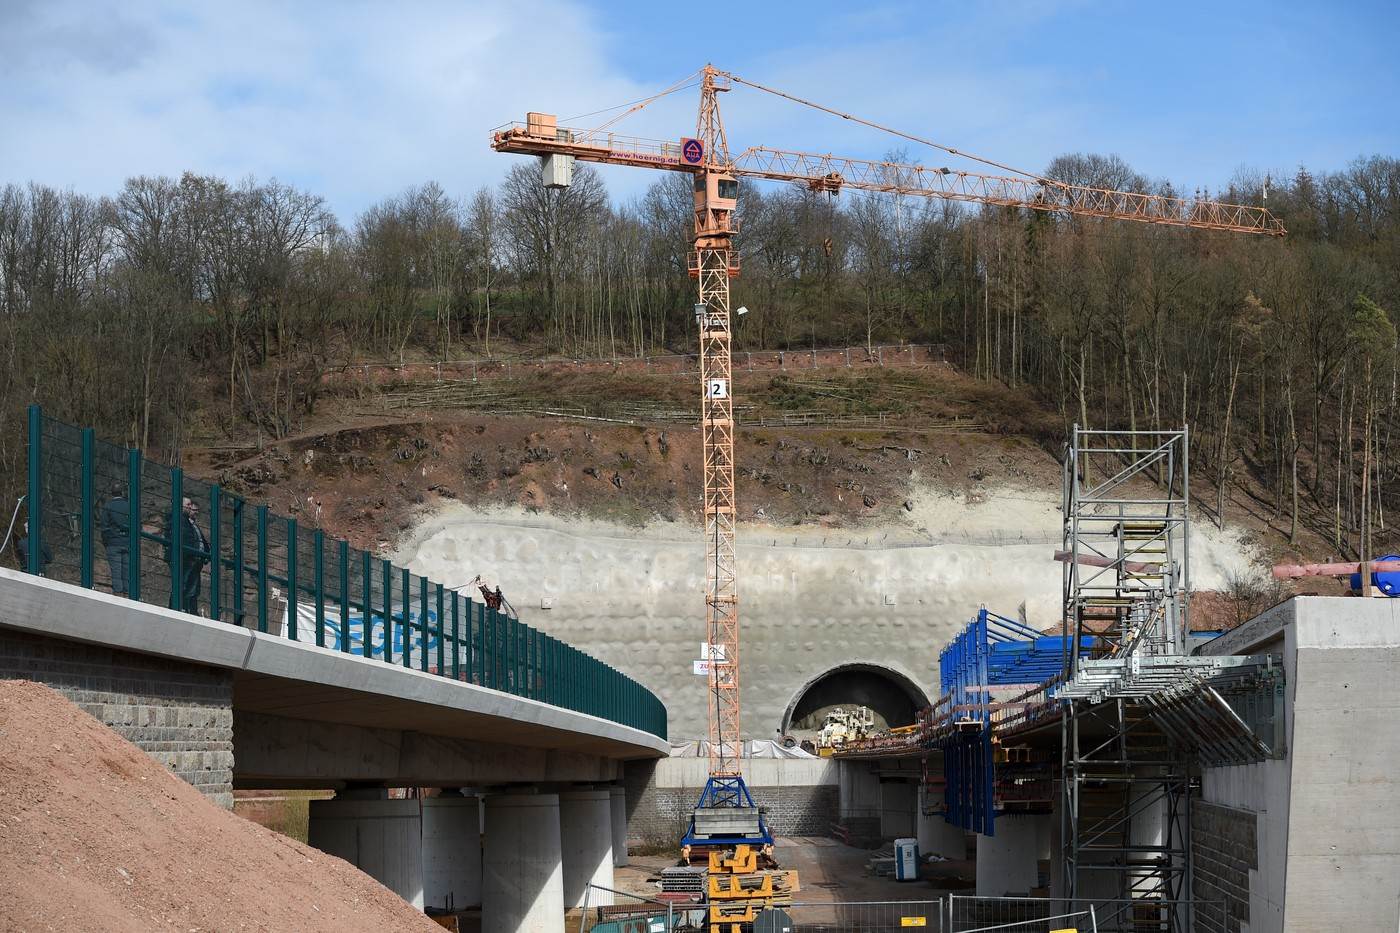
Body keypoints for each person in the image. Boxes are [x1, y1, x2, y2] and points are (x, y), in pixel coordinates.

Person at [165, 497, 209, 615]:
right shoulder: (177, 518)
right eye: (188, 505)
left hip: (192, 558)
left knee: (190, 587)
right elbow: (182, 537)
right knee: (182, 584)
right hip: (184, 557)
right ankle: (176, 608)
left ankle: (183, 609)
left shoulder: (185, 521)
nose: (190, 507)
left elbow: (197, 539)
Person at [100, 483, 131, 596]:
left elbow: (104, 527)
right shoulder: (129, 506)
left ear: (111, 493)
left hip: (113, 543)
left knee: (116, 572)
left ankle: (118, 595)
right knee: (127, 571)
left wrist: (107, 542)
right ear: (122, 493)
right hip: (127, 543)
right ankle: (128, 595)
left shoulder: (108, 506)